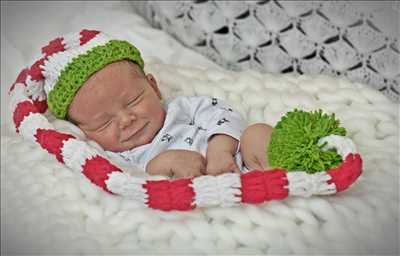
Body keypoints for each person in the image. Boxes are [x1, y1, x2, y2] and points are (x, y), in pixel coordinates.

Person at [42, 29, 273, 178]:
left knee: (257, 133)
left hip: (244, 165)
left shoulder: (181, 108)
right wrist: (161, 164)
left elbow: (223, 114)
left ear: (153, 87)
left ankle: (283, 176)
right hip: (200, 199)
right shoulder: (117, 157)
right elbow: (125, 181)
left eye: (133, 100)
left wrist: (220, 151)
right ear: (84, 132)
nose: (125, 120)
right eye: (103, 123)